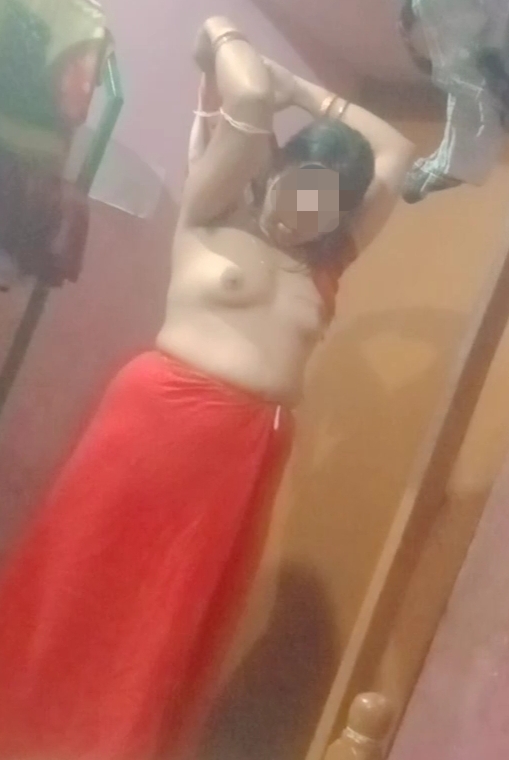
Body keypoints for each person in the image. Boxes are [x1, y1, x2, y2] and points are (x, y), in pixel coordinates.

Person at [0, 15, 414, 760]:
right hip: (159, 418)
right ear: (274, 170)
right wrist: (229, 38)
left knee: (171, 612)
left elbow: (398, 152)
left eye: (324, 203)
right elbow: (249, 100)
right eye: (297, 187)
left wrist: (311, 96)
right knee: (82, 574)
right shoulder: (213, 212)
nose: (304, 210)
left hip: (243, 452)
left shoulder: (327, 263)